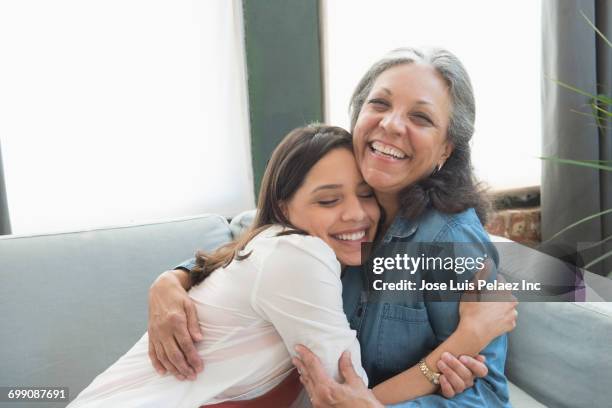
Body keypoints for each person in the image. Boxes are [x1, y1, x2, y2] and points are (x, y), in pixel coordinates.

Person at [149, 47, 516, 407]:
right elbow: (255, 234)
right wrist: (173, 280)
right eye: (380, 104)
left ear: (445, 150)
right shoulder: (343, 186)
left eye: (421, 117)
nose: (390, 124)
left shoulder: (450, 241)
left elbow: (488, 398)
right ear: (358, 115)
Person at [69, 125, 512, 407]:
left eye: (364, 195)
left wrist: (175, 277)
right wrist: (466, 338)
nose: (357, 214)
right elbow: (344, 394)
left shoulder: (441, 240)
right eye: (328, 200)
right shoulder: (299, 254)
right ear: (284, 206)